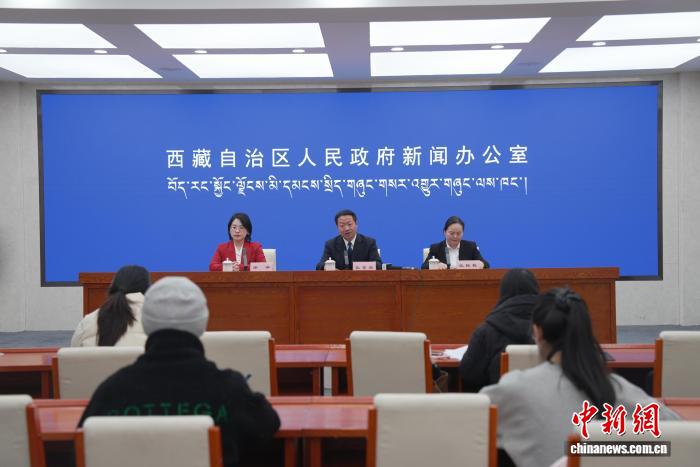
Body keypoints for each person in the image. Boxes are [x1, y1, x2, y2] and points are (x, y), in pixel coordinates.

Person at [78, 276, 280, 467]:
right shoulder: (230, 390)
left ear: (146, 323)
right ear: (202, 323)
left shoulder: (112, 391)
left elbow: (81, 447)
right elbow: (268, 424)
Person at [480, 288, 679, 467]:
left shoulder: (514, 389)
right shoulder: (620, 389)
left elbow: (470, 423)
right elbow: (679, 434)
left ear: (537, 332)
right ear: (586, 332)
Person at [459, 268, 539, 392]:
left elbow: (469, 374)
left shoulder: (486, 331)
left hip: (499, 402)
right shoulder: (554, 326)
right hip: (548, 402)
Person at [71, 265, 150, 347]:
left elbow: (74, 352)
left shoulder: (87, 323)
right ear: (148, 290)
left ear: (113, 286)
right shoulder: (157, 320)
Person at [315, 209, 382, 270]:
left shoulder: (369, 242)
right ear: (337, 227)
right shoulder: (331, 244)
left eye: (349, 224)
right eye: (342, 225)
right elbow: (319, 266)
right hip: (339, 279)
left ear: (356, 224)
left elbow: (379, 265)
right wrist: (329, 268)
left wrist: (360, 266)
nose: (346, 228)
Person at [421, 215, 489, 269]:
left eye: (458, 233)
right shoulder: (436, 248)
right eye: (452, 233)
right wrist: (436, 265)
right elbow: (424, 266)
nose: (455, 236)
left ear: (463, 233)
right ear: (444, 232)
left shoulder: (470, 247)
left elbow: (486, 264)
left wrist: (481, 264)